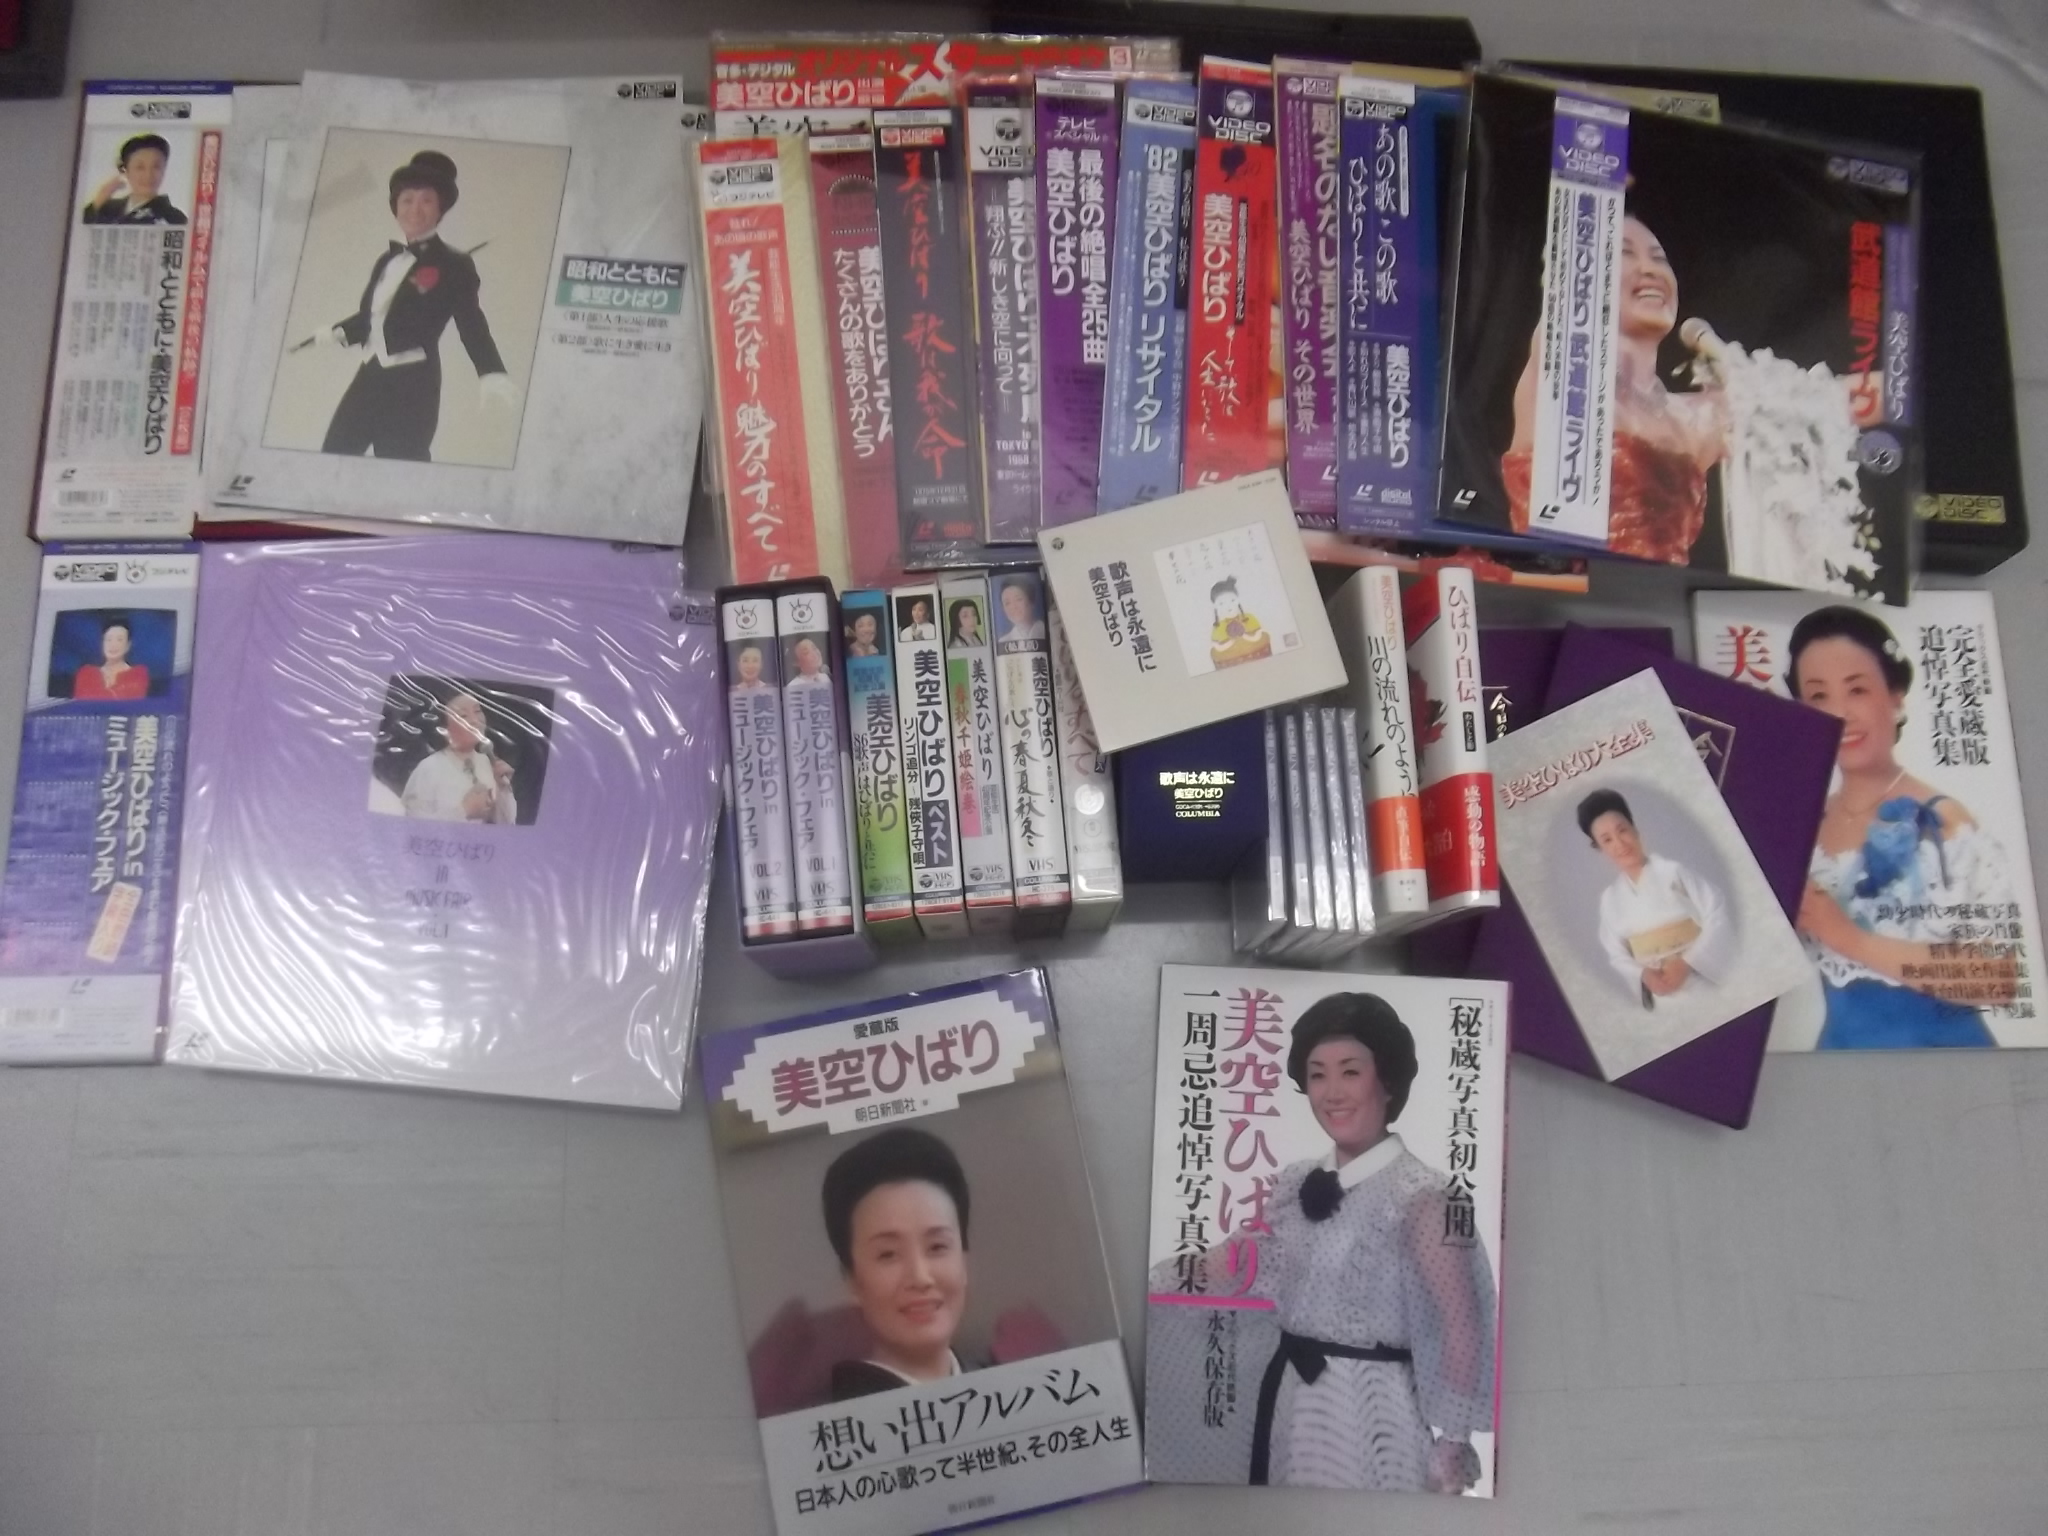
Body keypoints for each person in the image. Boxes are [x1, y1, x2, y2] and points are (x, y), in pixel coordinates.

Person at [1248, 994, 1495, 1493]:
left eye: (1350, 1072)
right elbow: (1247, 1264)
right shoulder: (1295, 1182)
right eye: (1317, 1075)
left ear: (1388, 1080)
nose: (1332, 1092)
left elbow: (1461, 1326)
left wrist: (1452, 1440)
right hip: (1291, 1398)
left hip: (1371, 1411)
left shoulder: (1425, 1196)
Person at [1788, 606, 2016, 1048]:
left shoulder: (1943, 821)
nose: (1840, 713)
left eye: (1857, 689)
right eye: (1818, 696)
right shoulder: (1804, 827)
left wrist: (1848, 937)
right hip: (1839, 1059)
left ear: (1895, 697)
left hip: (1944, 1061)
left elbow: (1999, 979)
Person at [1503, 213, 1728, 565]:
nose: (1650, 269)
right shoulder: (1566, 369)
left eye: (1659, 258)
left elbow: (1778, 413)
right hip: (1568, 586)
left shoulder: (1689, 419)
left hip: (1659, 594)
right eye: (1624, 253)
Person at [311, 150, 517, 461]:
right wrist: (339, 331)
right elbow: (377, 316)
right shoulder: (386, 260)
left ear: (440, 208)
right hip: (369, 376)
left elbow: (471, 322)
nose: (415, 209)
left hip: (413, 385)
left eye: (426, 201)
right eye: (407, 200)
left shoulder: (455, 264)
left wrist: (491, 372)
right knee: (333, 456)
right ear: (395, 206)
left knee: (401, 463)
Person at [821, 1127, 972, 1402]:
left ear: (964, 1260)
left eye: (937, 1247)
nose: (920, 1277)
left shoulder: (1014, 1390)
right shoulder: (829, 1416)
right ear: (851, 1278)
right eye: (888, 1255)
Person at [1579, 789, 1733, 1009]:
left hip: (1698, 982)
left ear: (1635, 829)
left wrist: (1688, 962)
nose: (1619, 844)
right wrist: (1644, 975)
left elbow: (1716, 912)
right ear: (1600, 848)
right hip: (1661, 995)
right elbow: (1616, 954)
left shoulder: (1674, 872)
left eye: (1622, 830)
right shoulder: (1610, 899)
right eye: (1607, 840)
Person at [399, 690, 517, 824]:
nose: (475, 721)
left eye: (477, 711)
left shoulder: (487, 762)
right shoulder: (428, 769)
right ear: (445, 729)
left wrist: (502, 789)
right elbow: (414, 826)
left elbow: (506, 824)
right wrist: (463, 810)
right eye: (463, 715)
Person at [81, 134, 187, 225]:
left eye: (156, 167)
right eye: (140, 167)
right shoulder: (106, 208)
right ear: (125, 170)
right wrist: (100, 198)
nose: (148, 175)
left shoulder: (174, 217)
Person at [70, 618, 150, 701]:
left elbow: (128, 702)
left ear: (128, 645)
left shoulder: (138, 674)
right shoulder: (86, 673)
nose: (113, 645)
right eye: (108, 639)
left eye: (119, 640)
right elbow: (81, 704)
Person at [1208, 576, 1273, 668]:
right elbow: (1217, 647)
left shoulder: (1249, 617)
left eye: (1232, 600)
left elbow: (1259, 634)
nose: (1228, 606)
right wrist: (1231, 641)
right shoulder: (1218, 627)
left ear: (1238, 599)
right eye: (1221, 603)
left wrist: (1244, 636)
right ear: (1215, 606)